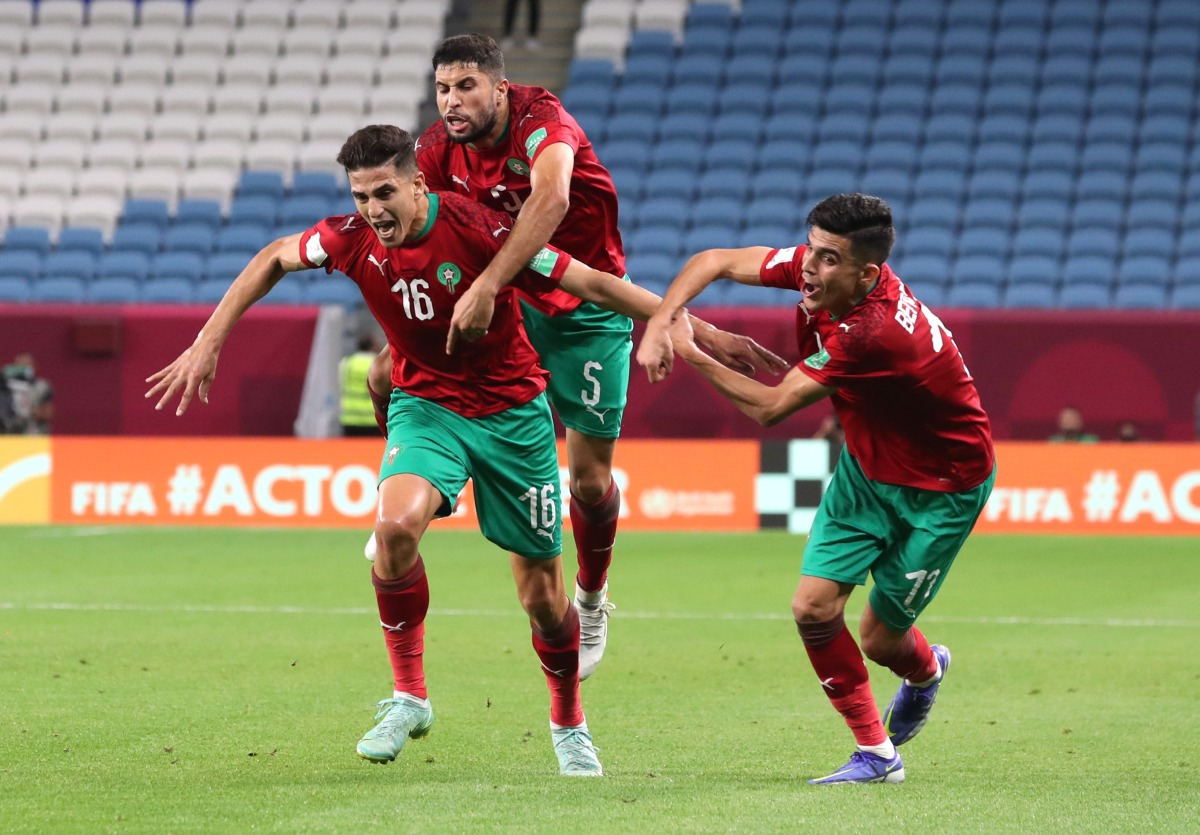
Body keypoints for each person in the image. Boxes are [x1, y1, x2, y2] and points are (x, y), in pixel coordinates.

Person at [144, 125, 763, 777]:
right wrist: (209, 340)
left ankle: (569, 722)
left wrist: (686, 322)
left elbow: (591, 281)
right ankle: (409, 696)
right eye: (360, 195)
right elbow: (274, 255)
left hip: (513, 418)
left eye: (385, 191)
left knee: (544, 601)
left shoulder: (479, 230)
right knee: (392, 529)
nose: (373, 209)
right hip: (428, 408)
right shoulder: (350, 238)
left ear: (418, 184)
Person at [365, 33, 787, 680]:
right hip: (509, 307)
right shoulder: (431, 151)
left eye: (467, 86)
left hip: (585, 312)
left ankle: (590, 597)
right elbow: (407, 219)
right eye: (443, 88)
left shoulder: (543, 123)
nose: (451, 101)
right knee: (386, 371)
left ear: (499, 89)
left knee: (588, 481)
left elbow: (553, 199)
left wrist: (681, 322)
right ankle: (404, 493)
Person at [638, 193, 996, 785]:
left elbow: (771, 407)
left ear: (867, 274)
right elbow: (716, 260)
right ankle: (879, 756)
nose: (809, 267)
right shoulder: (817, 271)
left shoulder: (873, 333)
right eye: (812, 249)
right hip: (866, 472)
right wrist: (662, 316)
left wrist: (689, 348)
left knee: (881, 639)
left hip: (943, 488)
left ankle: (926, 671)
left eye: (829, 259)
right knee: (812, 607)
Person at [338, 335, 382, 437]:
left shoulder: (347, 362)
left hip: (349, 417)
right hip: (372, 419)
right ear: (372, 346)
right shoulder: (377, 363)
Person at [1, 353, 53, 435]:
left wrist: (29, 411)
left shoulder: (41, 386)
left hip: (33, 435)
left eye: (27, 365)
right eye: (20, 365)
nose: (24, 368)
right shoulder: (5, 387)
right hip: (10, 435)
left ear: (34, 366)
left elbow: (48, 413)